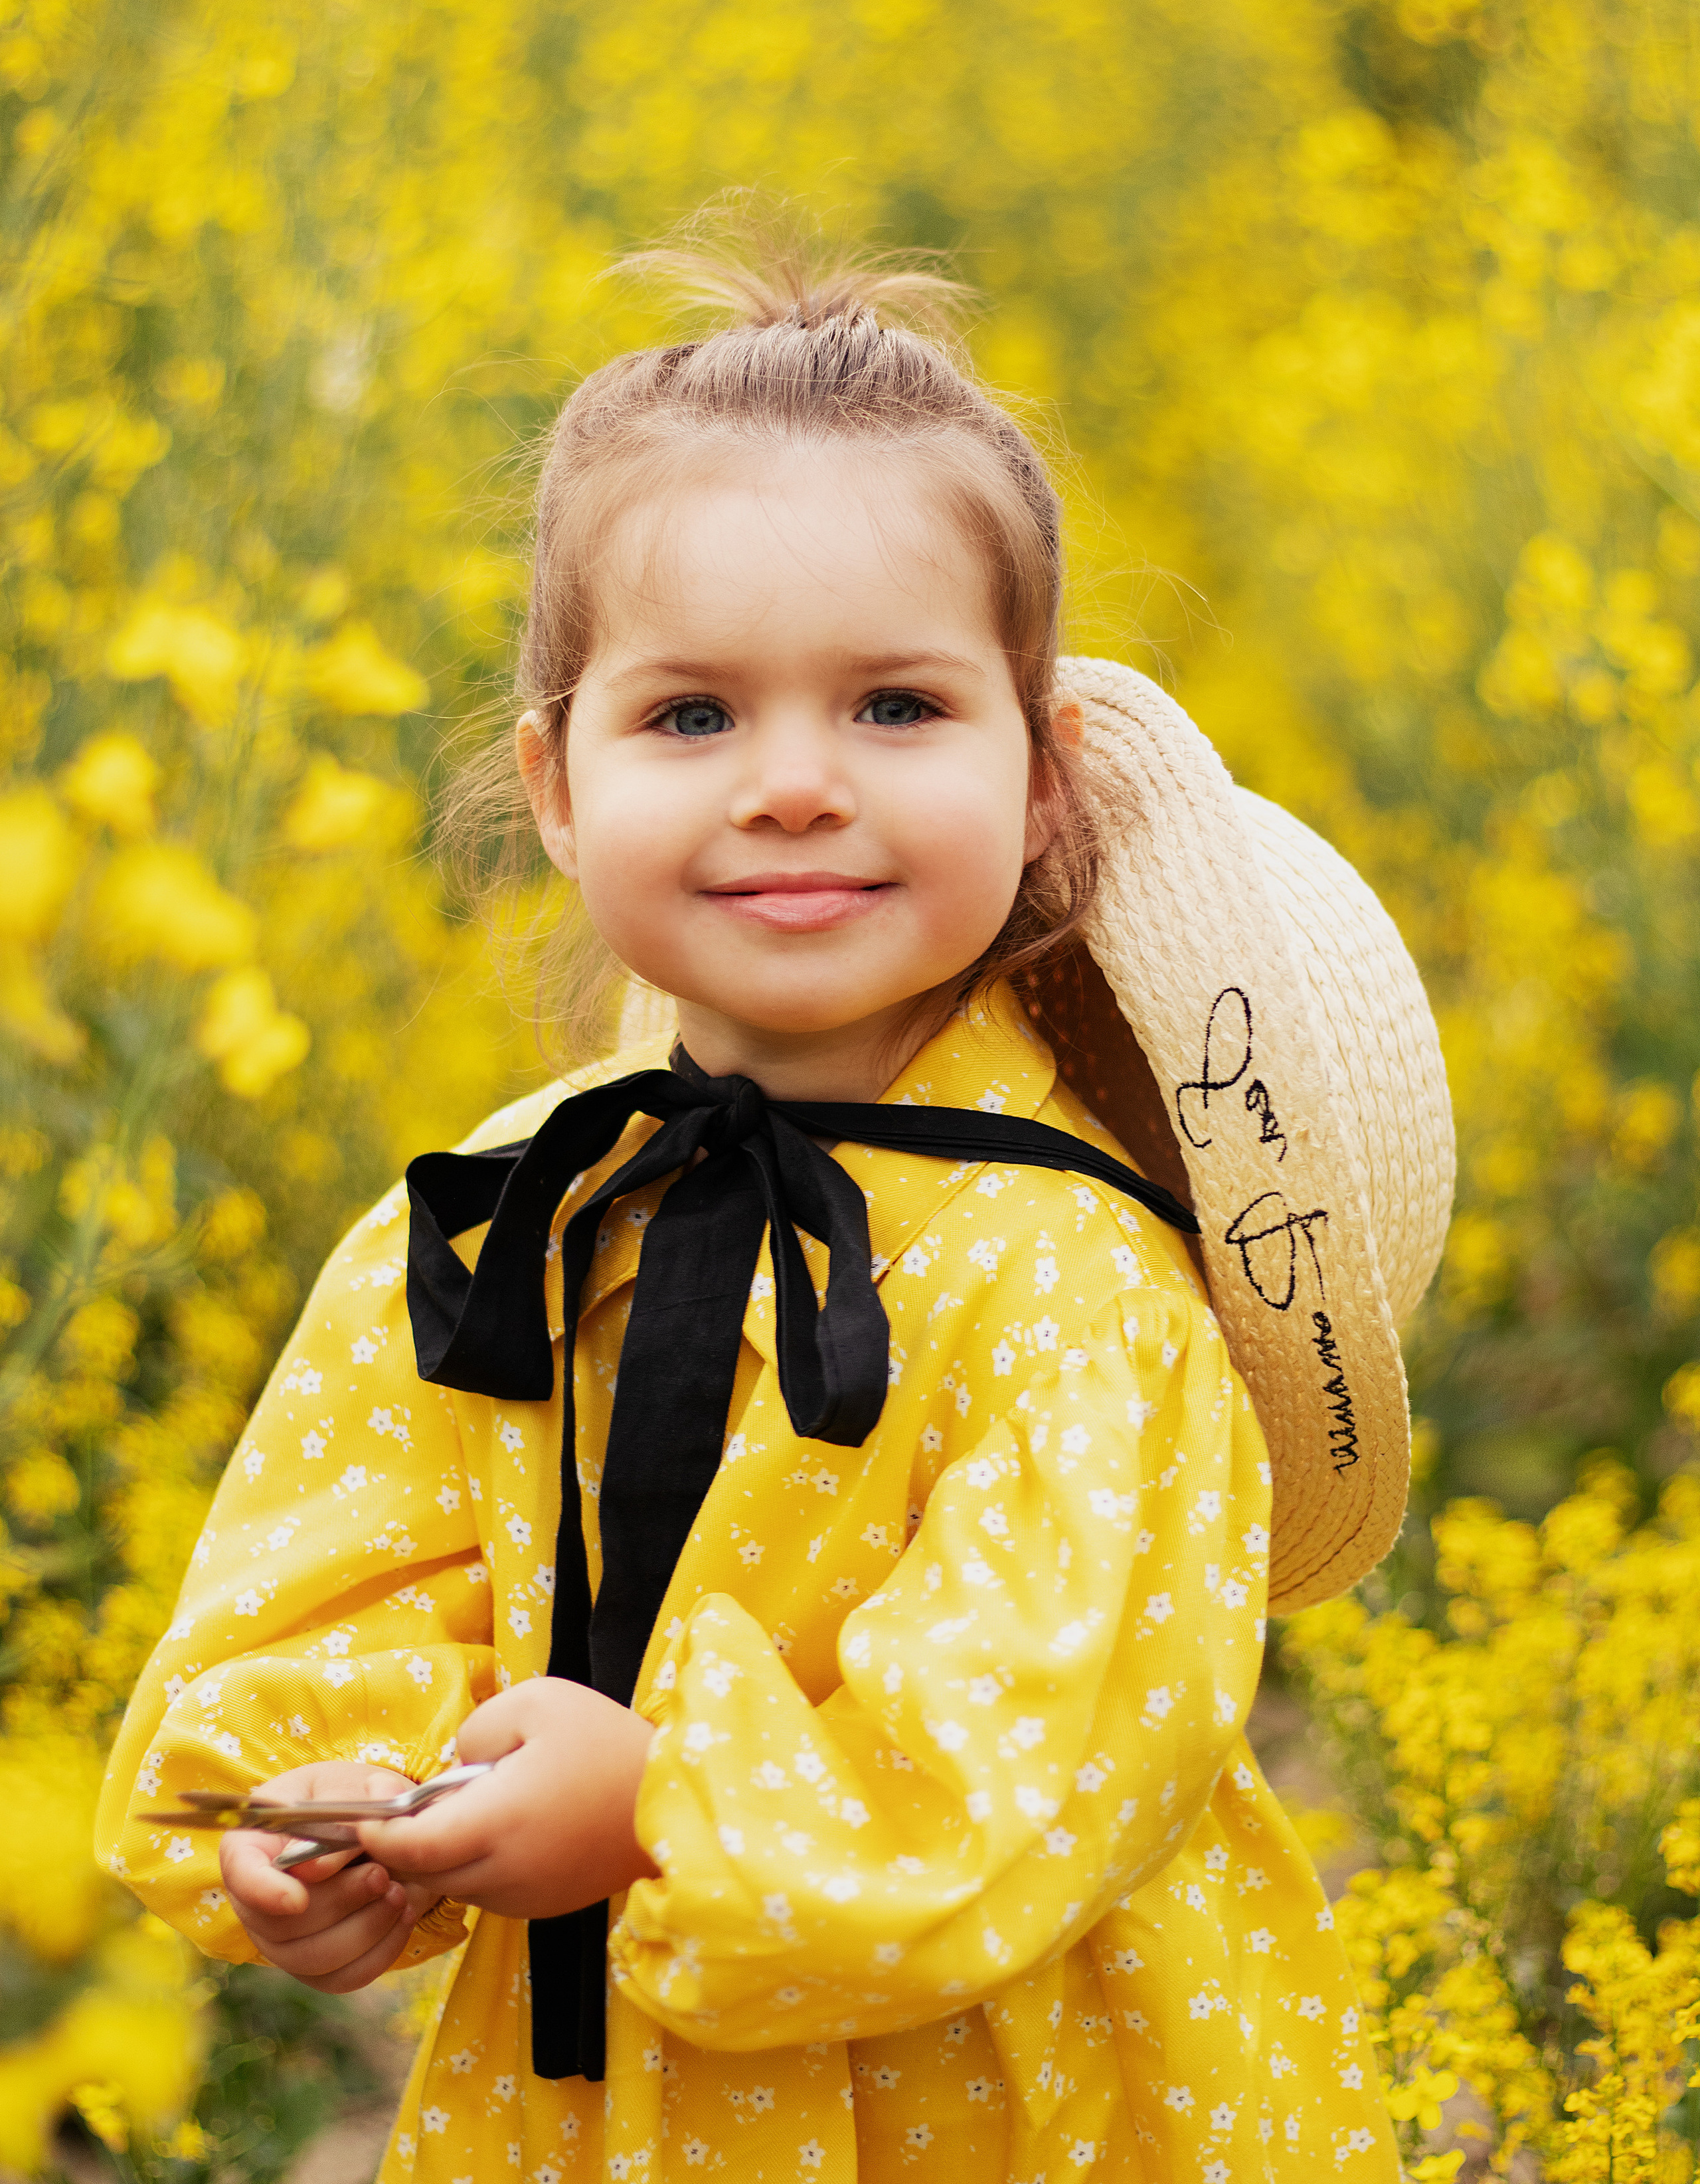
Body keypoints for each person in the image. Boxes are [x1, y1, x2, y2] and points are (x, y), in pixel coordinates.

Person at [99, 222, 1452, 2181]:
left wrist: (649, 1811)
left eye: (896, 705)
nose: (795, 785)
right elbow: (322, 1602)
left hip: (1023, 2113)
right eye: (692, 716)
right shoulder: (499, 1222)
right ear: (557, 784)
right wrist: (336, 1814)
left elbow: (1010, 1776)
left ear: (1045, 774)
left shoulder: (1079, 1285)